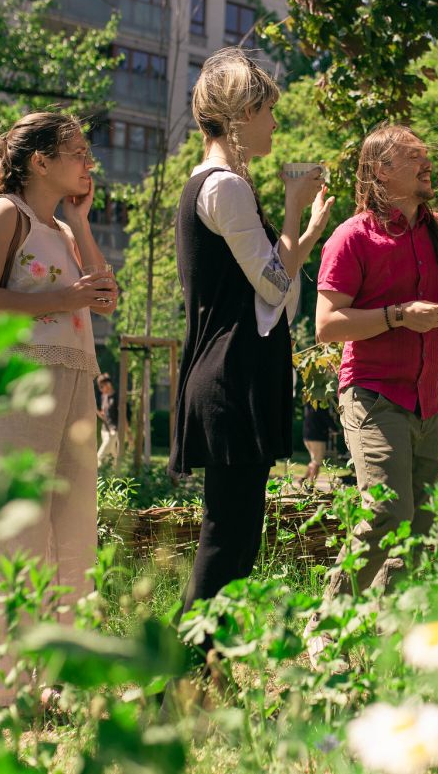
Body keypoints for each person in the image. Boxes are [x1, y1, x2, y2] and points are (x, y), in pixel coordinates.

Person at [0, 111, 119, 705]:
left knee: (68, 538)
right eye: (76, 151)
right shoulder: (3, 215)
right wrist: (65, 296)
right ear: (39, 161)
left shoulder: (62, 229)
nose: (87, 161)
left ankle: (55, 681)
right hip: (11, 392)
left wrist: (80, 221)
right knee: (5, 535)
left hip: (68, 395)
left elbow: (105, 299)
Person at [170, 48, 334, 647]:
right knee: (226, 537)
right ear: (240, 113)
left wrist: (307, 229)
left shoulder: (218, 186)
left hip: (235, 371)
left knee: (239, 536)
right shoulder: (225, 188)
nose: (273, 125)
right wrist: (293, 207)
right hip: (230, 375)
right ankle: (175, 679)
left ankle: (203, 671)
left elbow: (274, 280)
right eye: (267, 112)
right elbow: (274, 283)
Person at [308, 124, 438, 662]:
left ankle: (386, 636)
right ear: (382, 170)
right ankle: (326, 627)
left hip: (429, 400)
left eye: (425, 155)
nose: (426, 162)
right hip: (373, 394)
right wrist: (400, 315)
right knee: (389, 511)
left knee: (423, 527)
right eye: (413, 157)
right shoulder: (351, 237)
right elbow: (327, 326)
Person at [302, 399, 336, 485]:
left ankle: (303, 480)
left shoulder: (310, 404)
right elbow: (326, 417)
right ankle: (311, 485)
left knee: (314, 460)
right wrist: (336, 429)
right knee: (317, 462)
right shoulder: (321, 404)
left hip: (307, 436)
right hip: (317, 437)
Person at [96, 373, 119, 466]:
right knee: (114, 456)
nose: (100, 389)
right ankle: (115, 476)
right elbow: (104, 415)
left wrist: (128, 433)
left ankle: (95, 477)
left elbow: (122, 415)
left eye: (102, 387)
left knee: (99, 456)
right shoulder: (103, 397)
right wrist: (96, 411)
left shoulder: (117, 397)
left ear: (108, 384)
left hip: (114, 431)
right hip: (104, 431)